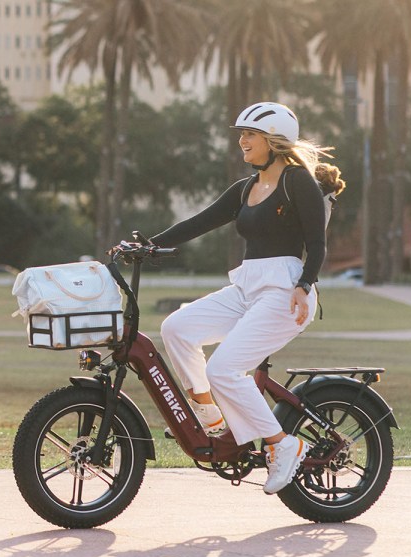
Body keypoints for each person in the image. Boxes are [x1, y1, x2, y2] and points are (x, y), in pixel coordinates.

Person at [145, 101, 346, 494]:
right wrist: (148, 246)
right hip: (247, 288)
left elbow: (317, 243)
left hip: (284, 292)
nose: (242, 141)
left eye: (250, 134)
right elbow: (199, 222)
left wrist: (305, 285)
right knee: (177, 328)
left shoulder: (296, 181)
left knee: (222, 369)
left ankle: (282, 444)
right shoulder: (246, 188)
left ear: (273, 141)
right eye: (242, 134)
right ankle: (210, 416)